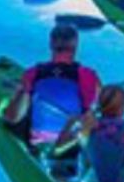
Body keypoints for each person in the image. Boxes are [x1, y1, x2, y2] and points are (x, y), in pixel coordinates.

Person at [6, 24, 102, 160]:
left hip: (38, 138)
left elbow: (13, 117)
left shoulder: (33, 73)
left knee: (16, 107)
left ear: (50, 44)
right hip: (71, 142)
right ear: (75, 47)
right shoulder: (88, 75)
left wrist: (21, 91)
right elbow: (92, 111)